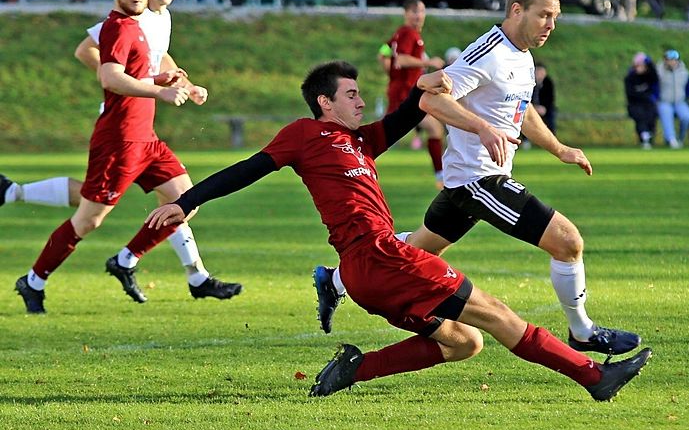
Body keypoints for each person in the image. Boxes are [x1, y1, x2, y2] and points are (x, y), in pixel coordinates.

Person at [144, 61, 652, 401]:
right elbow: (249, 168)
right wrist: (186, 202)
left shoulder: (362, 142)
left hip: (370, 273)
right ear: (324, 103)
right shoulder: (305, 135)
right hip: (380, 258)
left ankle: (353, 370)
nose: (361, 102)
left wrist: (434, 81)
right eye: (351, 95)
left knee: (464, 343)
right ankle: (593, 377)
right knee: (497, 315)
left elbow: (411, 110)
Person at [320, 0, 641, 356]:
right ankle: (582, 331)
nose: (551, 26)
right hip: (479, 181)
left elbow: (519, 114)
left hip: (468, 183)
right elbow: (431, 101)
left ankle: (335, 279)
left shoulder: (521, 56)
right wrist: (483, 128)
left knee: (417, 250)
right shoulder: (487, 52)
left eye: (555, 18)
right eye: (545, 16)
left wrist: (559, 149)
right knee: (568, 242)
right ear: (517, 10)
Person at [13, 0, 240, 315]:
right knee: (89, 219)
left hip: (144, 137)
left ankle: (129, 260)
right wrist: (152, 91)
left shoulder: (145, 22)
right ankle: (34, 279)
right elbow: (108, 74)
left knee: (186, 200)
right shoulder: (119, 27)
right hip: (119, 139)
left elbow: (153, 59)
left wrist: (174, 83)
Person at [386, 0, 446, 187]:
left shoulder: (401, 33)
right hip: (405, 93)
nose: (418, 15)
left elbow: (386, 50)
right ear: (405, 14)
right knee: (384, 134)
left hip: (404, 90)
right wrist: (429, 63)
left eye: (421, 11)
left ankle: (441, 176)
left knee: (433, 129)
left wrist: (386, 64)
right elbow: (402, 60)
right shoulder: (409, 34)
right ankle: (441, 176)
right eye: (413, 11)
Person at [655, 49, 689, 148]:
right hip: (664, 101)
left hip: (679, 101)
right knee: (666, 114)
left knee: (687, 117)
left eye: (674, 60)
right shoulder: (659, 72)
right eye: (669, 60)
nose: (672, 62)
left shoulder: (684, 72)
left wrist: (687, 98)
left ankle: (680, 138)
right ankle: (671, 139)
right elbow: (654, 87)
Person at [623, 51, 659, 149]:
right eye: (637, 66)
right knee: (640, 116)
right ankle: (644, 137)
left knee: (652, 114)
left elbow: (655, 77)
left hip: (647, 104)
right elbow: (631, 94)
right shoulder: (630, 78)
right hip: (634, 104)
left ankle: (650, 136)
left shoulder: (649, 76)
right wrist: (644, 95)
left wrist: (649, 62)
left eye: (642, 65)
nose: (639, 68)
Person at [532, 63, 556, 135]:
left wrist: (544, 108)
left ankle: (552, 136)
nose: (540, 74)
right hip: (531, 107)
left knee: (551, 114)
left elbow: (550, 98)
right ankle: (526, 140)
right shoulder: (528, 82)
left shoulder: (548, 83)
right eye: (538, 72)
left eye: (542, 72)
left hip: (545, 108)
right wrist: (534, 107)